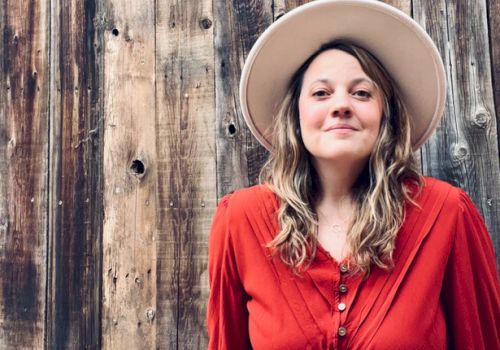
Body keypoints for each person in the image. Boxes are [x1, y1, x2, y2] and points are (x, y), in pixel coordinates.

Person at [206, 0, 500, 349]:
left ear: (385, 116)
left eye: (362, 93)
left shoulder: (447, 214)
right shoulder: (239, 220)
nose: (341, 105)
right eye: (321, 93)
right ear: (295, 117)